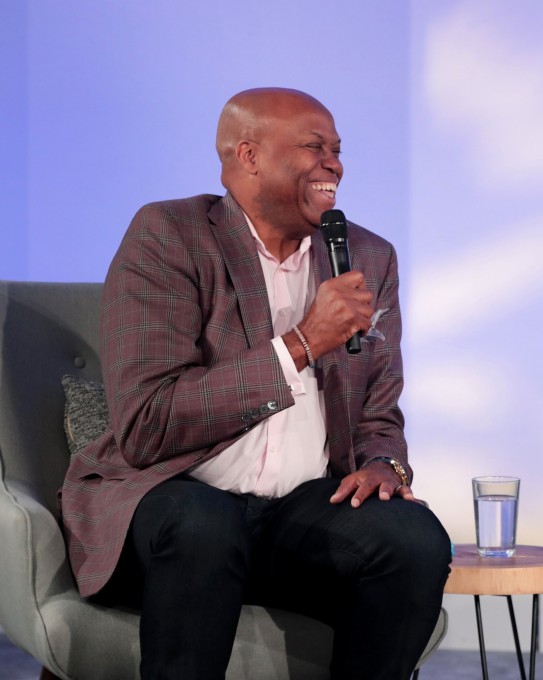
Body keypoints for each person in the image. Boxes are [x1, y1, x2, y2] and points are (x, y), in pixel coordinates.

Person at [59, 87, 452, 680]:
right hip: (173, 495)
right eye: (315, 148)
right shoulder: (169, 234)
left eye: (338, 150)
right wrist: (303, 343)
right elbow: (147, 423)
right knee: (204, 525)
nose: (335, 165)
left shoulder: (368, 256)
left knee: (414, 539)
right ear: (249, 155)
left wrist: (384, 466)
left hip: (300, 512)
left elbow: (378, 414)